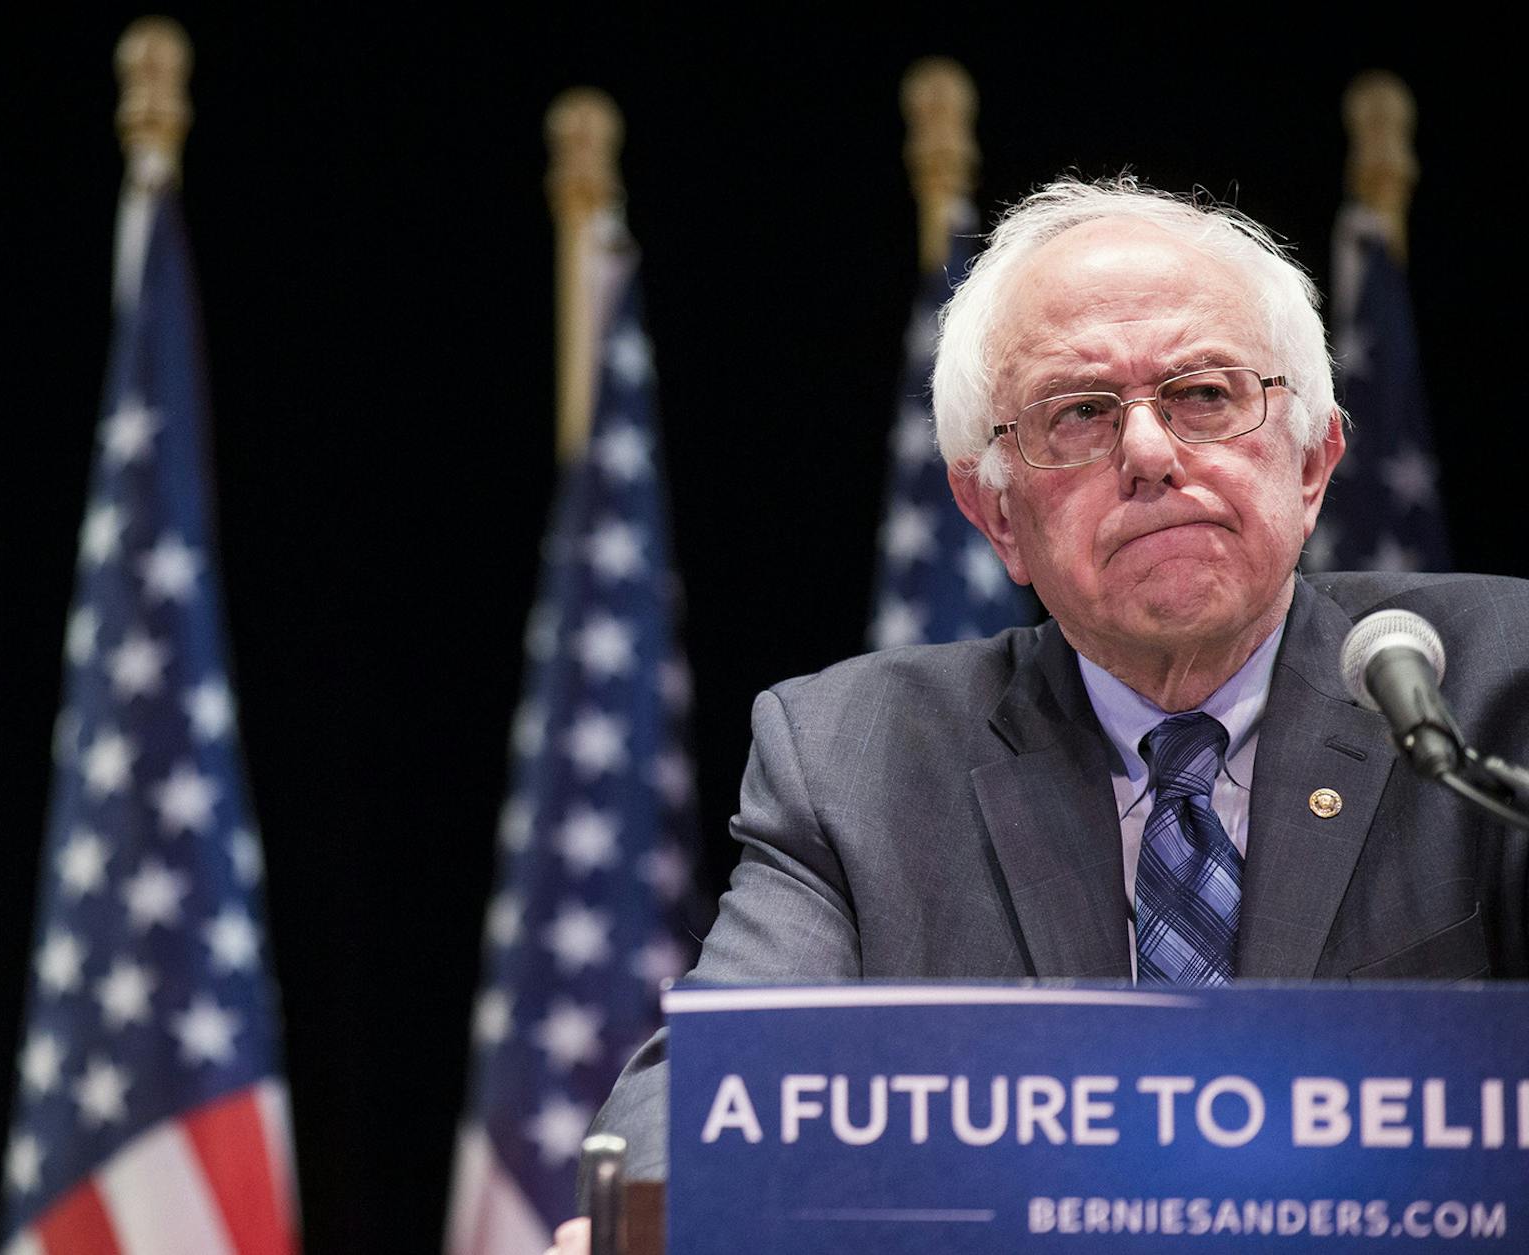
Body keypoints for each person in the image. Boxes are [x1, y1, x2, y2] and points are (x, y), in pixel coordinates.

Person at [544, 176, 1526, 1255]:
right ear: (996, 515)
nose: (1149, 452)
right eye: (1081, 413)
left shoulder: (1493, 691)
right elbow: (702, 1100)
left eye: (1205, 393)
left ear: (1312, 462)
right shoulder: (855, 758)